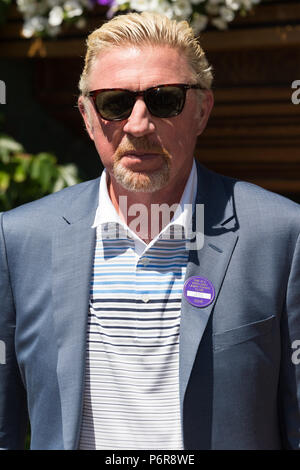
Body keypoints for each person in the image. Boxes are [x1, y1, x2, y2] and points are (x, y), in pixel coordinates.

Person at [0, 11, 299, 451]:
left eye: (164, 99)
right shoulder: (20, 239)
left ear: (201, 110)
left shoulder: (281, 235)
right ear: (86, 115)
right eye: (114, 103)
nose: (138, 125)